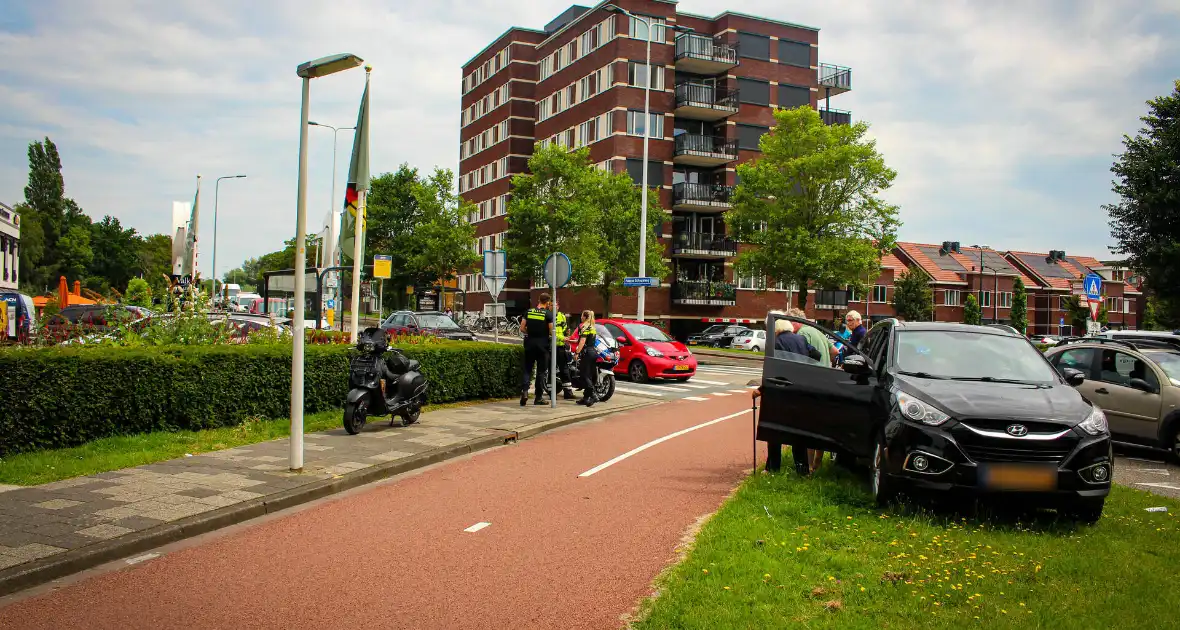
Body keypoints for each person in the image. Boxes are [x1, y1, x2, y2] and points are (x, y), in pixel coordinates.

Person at [519, 293, 555, 406]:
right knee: (541, 372)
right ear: (548, 302)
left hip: (529, 343)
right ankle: (538, 398)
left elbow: (522, 328)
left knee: (527, 369)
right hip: (542, 346)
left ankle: (524, 392)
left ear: (539, 300)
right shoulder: (548, 314)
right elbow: (551, 331)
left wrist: (529, 333)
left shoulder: (529, 312)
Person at [574, 310, 599, 407]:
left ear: (585, 317)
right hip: (593, 352)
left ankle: (593, 394)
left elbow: (582, 341)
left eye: (581, 316)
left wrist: (577, 352)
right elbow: (587, 340)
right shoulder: (593, 327)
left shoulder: (584, 327)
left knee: (584, 375)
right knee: (590, 375)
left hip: (587, 353)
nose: (581, 317)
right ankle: (586, 398)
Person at [552, 300, 576, 400]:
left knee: (564, 369)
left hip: (560, 346)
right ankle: (551, 393)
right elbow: (550, 332)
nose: (554, 307)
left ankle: (568, 392)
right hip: (551, 346)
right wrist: (562, 338)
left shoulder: (562, 316)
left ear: (558, 306)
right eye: (552, 305)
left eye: (555, 305)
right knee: (550, 369)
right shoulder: (548, 316)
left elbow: (564, 328)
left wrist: (567, 333)